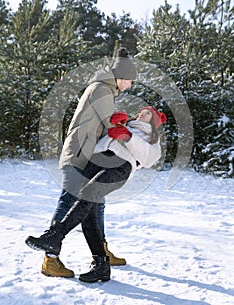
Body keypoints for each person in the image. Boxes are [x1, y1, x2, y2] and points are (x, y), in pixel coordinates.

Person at [25, 106, 167, 283]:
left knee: (88, 193)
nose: (140, 114)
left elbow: (149, 158)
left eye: (146, 113)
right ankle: (101, 265)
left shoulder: (151, 138)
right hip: (96, 161)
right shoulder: (126, 124)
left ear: (154, 121)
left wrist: (127, 136)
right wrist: (111, 125)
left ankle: (55, 236)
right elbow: (102, 138)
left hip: (119, 166)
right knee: (88, 214)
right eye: (141, 111)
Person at [38, 47, 137, 278]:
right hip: (79, 155)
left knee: (98, 203)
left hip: (90, 158)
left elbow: (111, 123)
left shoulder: (105, 90)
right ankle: (50, 260)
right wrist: (140, 129)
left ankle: (101, 251)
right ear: (121, 78)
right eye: (130, 81)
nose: (131, 86)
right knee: (67, 203)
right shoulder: (101, 89)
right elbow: (112, 125)